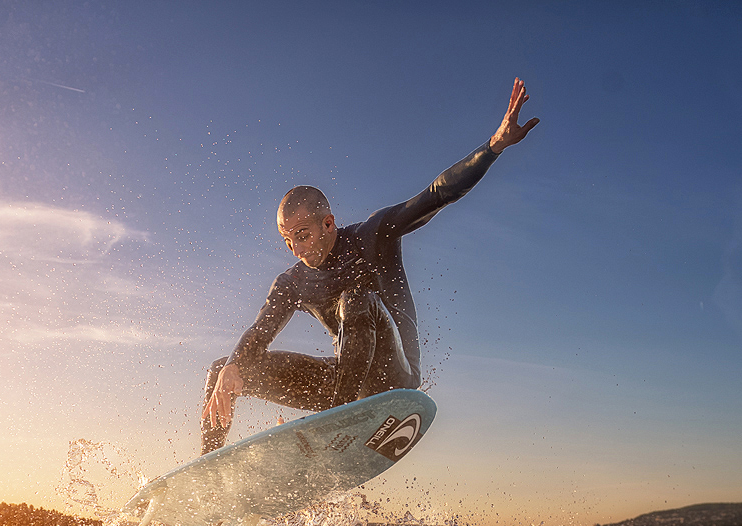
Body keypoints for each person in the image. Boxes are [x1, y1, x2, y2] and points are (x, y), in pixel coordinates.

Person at [199, 77, 539, 454]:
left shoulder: (373, 236)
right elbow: (259, 331)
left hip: (395, 379)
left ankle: (336, 423)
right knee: (225, 369)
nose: (296, 249)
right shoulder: (292, 282)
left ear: (328, 223)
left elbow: (436, 195)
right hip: (346, 381)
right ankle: (205, 477)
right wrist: (235, 367)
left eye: (303, 234)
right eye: (287, 240)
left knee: (356, 299)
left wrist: (493, 147)